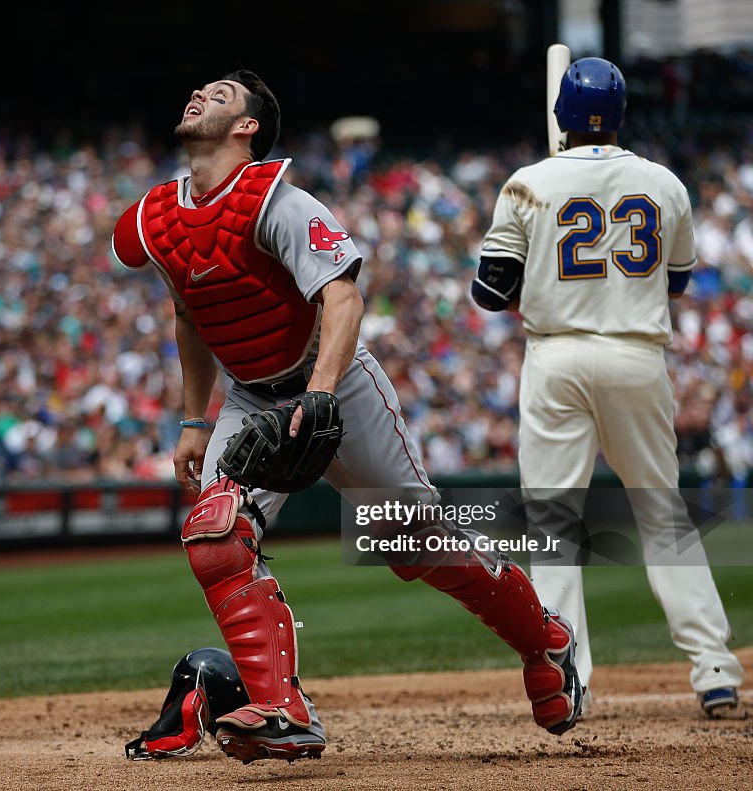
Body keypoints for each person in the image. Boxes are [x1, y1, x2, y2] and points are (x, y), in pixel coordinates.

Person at [113, 69, 583, 764]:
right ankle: (282, 710)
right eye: (198, 90)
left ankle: (545, 638)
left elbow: (344, 299)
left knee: (414, 545)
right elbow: (188, 312)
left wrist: (321, 392)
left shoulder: (280, 200)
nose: (199, 95)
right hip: (249, 395)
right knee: (215, 529)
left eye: (220, 96)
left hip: (335, 386)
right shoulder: (158, 219)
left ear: (247, 127)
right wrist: (192, 418)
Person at [472, 56, 745, 717]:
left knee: (553, 525)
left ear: (561, 114)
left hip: (557, 359)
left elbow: (488, 293)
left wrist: (548, 271)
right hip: (636, 355)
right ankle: (713, 667)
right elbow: (674, 282)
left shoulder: (527, 184)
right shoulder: (664, 183)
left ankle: (569, 676)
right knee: (662, 514)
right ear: (620, 116)